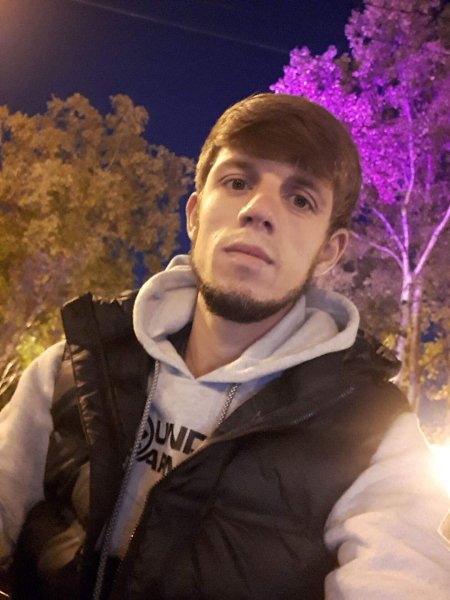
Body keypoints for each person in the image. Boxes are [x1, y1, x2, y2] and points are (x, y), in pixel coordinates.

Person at [0, 93, 449, 600]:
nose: (259, 210)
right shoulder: (73, 367)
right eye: (237, 182)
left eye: (300, 200)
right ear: (195, 214)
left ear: (329, 250)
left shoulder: (375, 434)